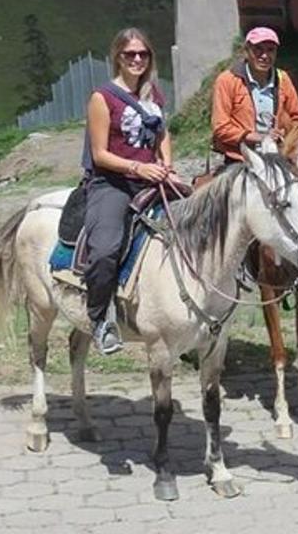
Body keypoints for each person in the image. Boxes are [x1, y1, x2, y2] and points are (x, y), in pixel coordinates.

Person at [81, 28, 173, 355]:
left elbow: (162, 133)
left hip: (151, 178)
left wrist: (166, 164)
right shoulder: (102, 97)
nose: (137, 59)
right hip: (113, 182)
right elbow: (99, 154)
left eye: (143, 54)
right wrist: (139, 168)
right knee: (106, 248)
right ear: (117, 57)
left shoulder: (153, 95)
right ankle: (100, 318)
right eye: (130, 54)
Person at [211, 27, 298, 164]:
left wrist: (285, 133)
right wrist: (257, 137)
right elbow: (221, 127)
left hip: (278, 156)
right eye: (258, 49)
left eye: (270, 50)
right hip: (240, 158)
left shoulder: (283, 79)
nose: (265, 56)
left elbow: (297, 118)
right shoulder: (227, 81)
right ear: (246, 51)